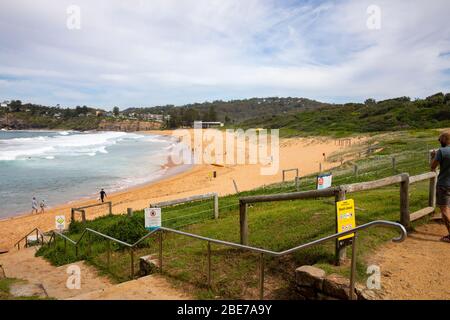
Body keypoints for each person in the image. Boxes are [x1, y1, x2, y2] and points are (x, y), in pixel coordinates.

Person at [431, 130, 450, 243]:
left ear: (443, 141)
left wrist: (434, 156)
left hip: (444, 184)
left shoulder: (441, 151)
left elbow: (433, 167)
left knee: (444, 209)